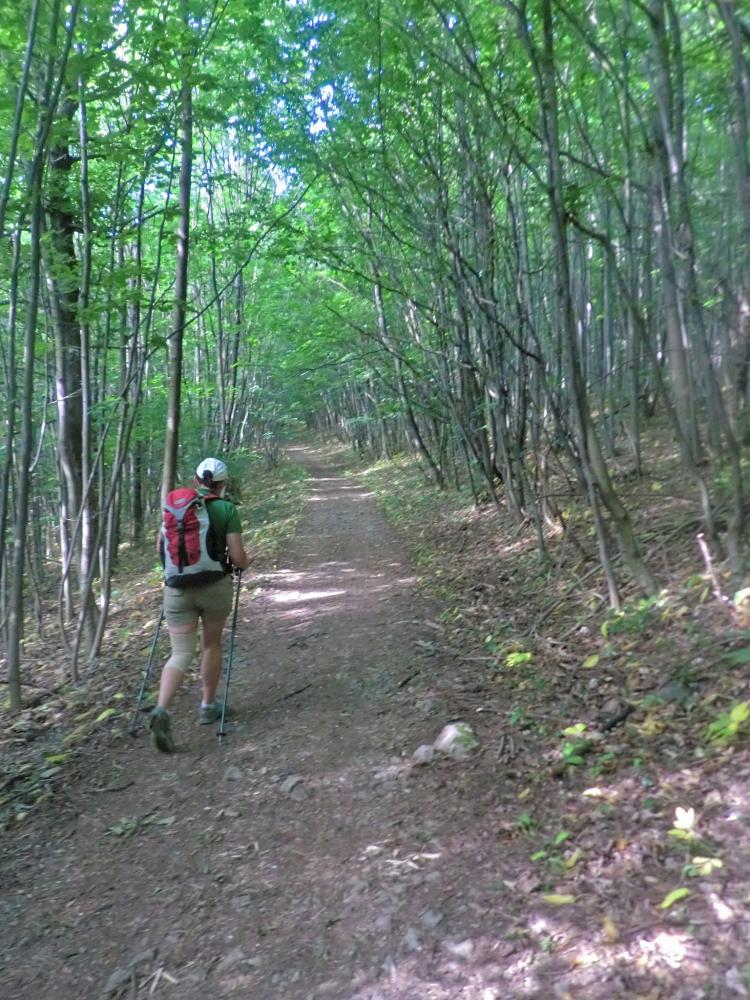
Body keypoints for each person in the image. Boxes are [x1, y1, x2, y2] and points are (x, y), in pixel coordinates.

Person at [150, 457, 250, 753]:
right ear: (222, 484)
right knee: (211, 644)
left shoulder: (177, 508)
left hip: (177, 590)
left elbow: (161, 549)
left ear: (196, 481)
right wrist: (244, 564)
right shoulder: (226, 509)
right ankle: (207, 705)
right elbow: (238, 557)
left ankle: (161, 709)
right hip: (214, 588)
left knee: (180, 652)